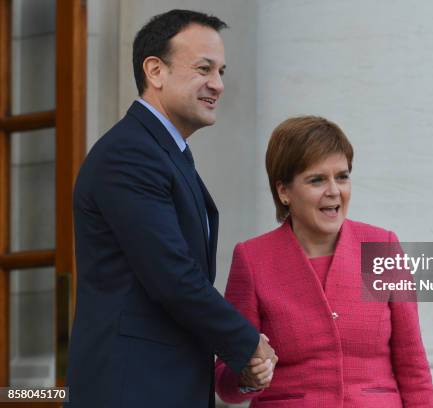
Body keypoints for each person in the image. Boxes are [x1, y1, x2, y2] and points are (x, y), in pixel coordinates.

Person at [66, 10, 276, 408]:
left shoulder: (164, 152)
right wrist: (246, 342)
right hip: (130, 389)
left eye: (222, 71)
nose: (218, 84)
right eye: (203, 69)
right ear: (155, 71)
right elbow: (172, 275)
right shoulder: (130, 154)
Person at [215, 116, 433, 407]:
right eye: (317, 179)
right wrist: (247, 377)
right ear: (284, 192)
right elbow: (224, 380)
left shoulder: (381, 249)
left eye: (342, 176)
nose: (334, 191)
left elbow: (413, 366)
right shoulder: (253, 259)